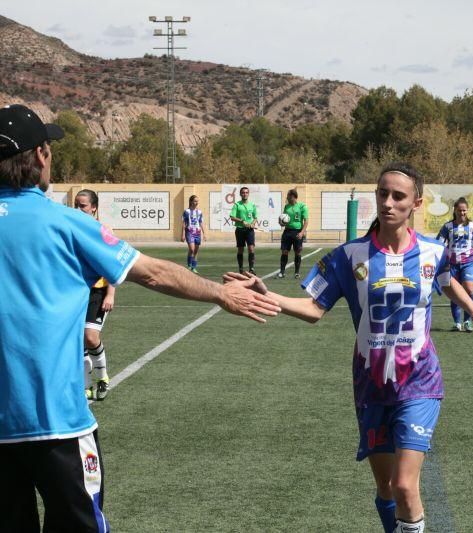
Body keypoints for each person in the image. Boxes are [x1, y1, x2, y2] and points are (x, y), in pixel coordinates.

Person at [0, 104, 280, 532]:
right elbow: (152, 272)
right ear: (41, 155)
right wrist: (220, 293)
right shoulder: (67, 223)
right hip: (56, 425)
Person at [226, 163, 473, 533]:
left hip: (420, 381)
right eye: (382, 193)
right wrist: (267, 294)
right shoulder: (349, 255)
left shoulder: (435, 251)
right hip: (371, 385)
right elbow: (313, 309)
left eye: (398, 196)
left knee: (405, 485)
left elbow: (447, 281)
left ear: (416, 203)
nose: (387, 203)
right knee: (386, 488)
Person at [74, 189, 115, 401]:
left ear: (94, 208)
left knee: (90, 336)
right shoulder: (70, 229)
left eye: (83, 206)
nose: (79, 209)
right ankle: (86, 385)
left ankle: (102, 377)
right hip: (76, 291)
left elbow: (113, 266)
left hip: (98, 292)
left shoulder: (103, 231)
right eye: (76, 205)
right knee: (77, 340)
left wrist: (110, 294)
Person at [436, 197, 473, 332]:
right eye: (459, 210)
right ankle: (456, 322)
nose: (462, 213)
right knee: (455, 292)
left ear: (468, 211)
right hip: (452, 264)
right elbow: (439, 245)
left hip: (469, 263)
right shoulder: (447, 227)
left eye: (464, 210)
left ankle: (467, 320)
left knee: (470, 290)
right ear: (455, 210)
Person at [277, 188, 309, 279]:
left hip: (297, 232)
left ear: (294, 197)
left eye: (289, 197)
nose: (287, 198)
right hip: (287, 231)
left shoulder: (302, 207)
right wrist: (281, 222)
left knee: (298, 252)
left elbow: (306, 221)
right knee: (284, 251)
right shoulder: (286, 207)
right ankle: (282, 272)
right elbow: (283, 218)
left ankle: (297, 272)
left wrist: (302, 232)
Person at [229, 186, 258, 274]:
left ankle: (251, 269)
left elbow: (255, 217)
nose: (245, 194)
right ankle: (241, 269)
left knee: (251, 248)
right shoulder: (237, 205)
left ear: (248, 194)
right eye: (243, 192)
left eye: (246, 192)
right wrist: (242, 221)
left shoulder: (252, 205)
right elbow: (232, 217)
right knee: (240, 249)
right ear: (240, 194)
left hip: (249, 231)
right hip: (240, 230)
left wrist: (253, 223)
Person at [181, 194, 205, 273]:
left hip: (197, 232)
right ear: (191, 202)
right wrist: (183, 234)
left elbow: (201, 222)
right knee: (192, 249)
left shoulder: (199, 212)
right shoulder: (186, 212)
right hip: (189, 232)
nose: (196, 203)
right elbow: (184, 224)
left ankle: (194, 267)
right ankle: (189, 265)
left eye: (197, 201)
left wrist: (204, 233)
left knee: (195, 251)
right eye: (195, 201)